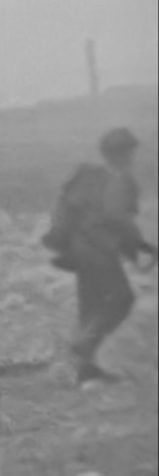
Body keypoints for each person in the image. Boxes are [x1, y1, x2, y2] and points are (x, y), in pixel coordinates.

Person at [41, 127, 157, 384]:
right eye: (130, 152)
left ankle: (84, 368)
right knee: (122, 299)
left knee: (91, 305)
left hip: (79, 249)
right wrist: (143, 246)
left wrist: (139, 246)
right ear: (124, 153)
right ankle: (83, 346)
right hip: (99, 249)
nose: (132, 157)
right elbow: (116, 218)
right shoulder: (120, 179)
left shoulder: (89, 177)